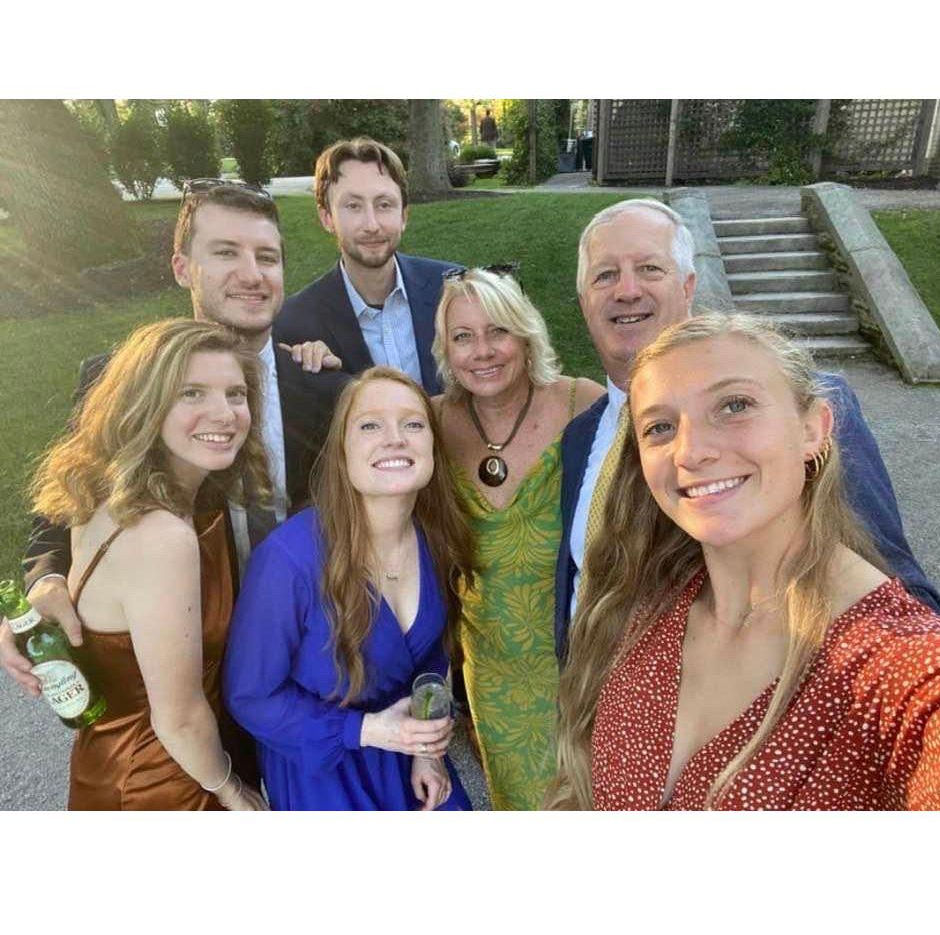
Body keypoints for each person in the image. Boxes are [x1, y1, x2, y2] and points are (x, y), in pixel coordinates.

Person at [545, 313, 940, 811]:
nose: (691, 452)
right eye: (660, 427)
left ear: (813, 429)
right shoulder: (639, 611)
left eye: (734, 405)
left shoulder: (906, 671)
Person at [554, 198, 940, 663]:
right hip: (588, 695)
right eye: (605, 275)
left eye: (649, 268)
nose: (627, 290)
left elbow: (897, 585)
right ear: (584, 303)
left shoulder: (795, 405)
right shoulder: (579, 438)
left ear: (688, 285)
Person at [2, 181, 349, 699]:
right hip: (186, 659)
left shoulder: (326, 385)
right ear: (183, 268)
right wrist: (44, 579)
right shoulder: (122, 379)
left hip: (308, 652)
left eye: (267, 257)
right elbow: (72, 485)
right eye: (226, 253)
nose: (252, 275)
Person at [29, 318, 273, 810]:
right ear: (146, 403)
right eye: (192, 393)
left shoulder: (108, 496)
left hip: (111, 762)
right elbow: (178, 717)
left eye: (236, 394)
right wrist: (233, 790)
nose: (224, 413)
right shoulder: (161, 537)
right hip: (166, 782)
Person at [223, 367, 475, 810]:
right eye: (370, 425)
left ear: (433, 446)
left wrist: (427, 750)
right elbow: (251, 696)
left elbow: (430, 660)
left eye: (413, 424)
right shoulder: (287, 560)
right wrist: (369, 731)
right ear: (342, 451)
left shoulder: (434, 540)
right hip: (325, 770)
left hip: (410, 759)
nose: (395, 439)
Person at [431, 267, 604, 809]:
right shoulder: (431, 422)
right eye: (463, 336)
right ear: (446, 350)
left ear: (526, 335)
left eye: (497, 331)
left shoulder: (584, 404)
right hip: (493, 669)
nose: (482, 351)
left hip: (582, 658)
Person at [273, 137, 460, 395]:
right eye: (353, 206)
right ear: (327, 218)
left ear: (404, 215)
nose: (371, 224)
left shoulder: (453, 289)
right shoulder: (294, 324)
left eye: (384, 205)